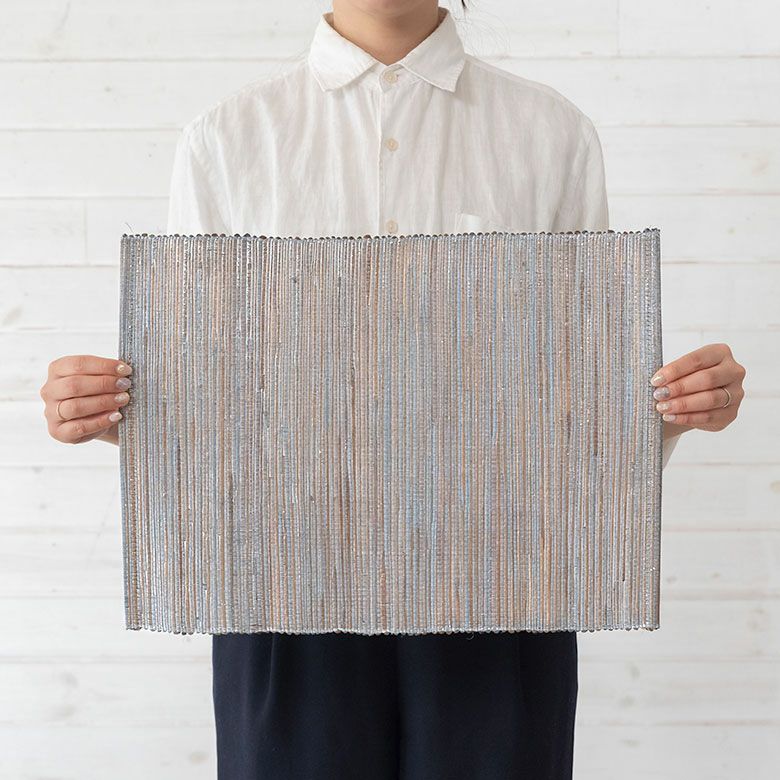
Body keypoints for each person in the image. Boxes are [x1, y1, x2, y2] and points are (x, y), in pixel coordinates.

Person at [40, 2, 746, 778]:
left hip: (506, 581)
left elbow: (579, 399)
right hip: (278, 587)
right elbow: (207, 390)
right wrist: (119, 413)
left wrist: (672, 411)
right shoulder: (230, 138)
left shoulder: (550, 133)